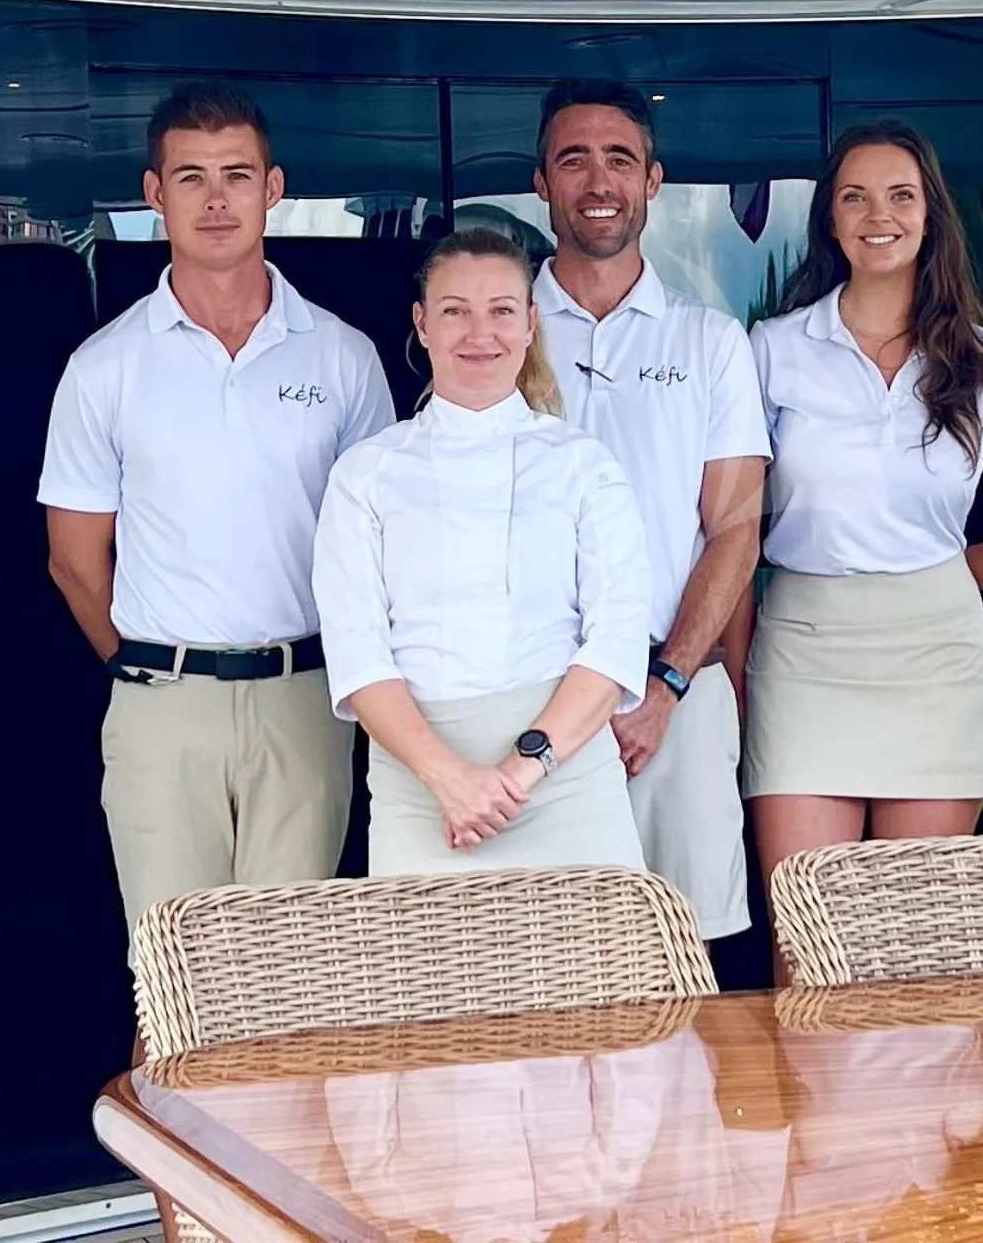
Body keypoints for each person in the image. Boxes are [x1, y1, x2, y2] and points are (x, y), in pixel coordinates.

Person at [39, 82, 394, 932]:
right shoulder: (105, 366)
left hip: (306, 696)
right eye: (190, 177)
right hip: (163, 701)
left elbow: (381, 543)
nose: (216, 199)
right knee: (171, 978)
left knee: (287, 981)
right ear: (154, 195)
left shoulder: (344, 358)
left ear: (273, 189)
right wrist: (151, 672)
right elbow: (75, 561)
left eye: (236, 174)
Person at [745, 119, 983, 886]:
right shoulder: (771, 350)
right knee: (809, 930)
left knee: (914, 940)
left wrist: (937, 579)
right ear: (831, 220)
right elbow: (731, 528)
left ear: (931, 214)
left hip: (939, 652)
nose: (880, 216)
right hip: (804, 647)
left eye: (901, 196)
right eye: (857, 197)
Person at [312, 227, 652, 874]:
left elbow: (614, 643)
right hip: (421, 789)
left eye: (500, 311)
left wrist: (518, 775)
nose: (479, 333)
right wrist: (450, 780)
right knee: (432, 978)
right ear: (421, 324)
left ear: (529, 324)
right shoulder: (367, 473)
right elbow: (358, 654)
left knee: (602, 976)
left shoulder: (584, 466)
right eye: (454, 311)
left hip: (567, 783)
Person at [529, 80, 769, 942]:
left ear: (653, 180)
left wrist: (666, 686)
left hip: (679, 695)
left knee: (691, 965)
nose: (599, 180)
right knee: (556, 965)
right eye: (575, 159)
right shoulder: (497, 334)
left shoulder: (709, 341)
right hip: (535, 705)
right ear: (542, 182)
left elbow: (735, 527)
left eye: (619, 159)